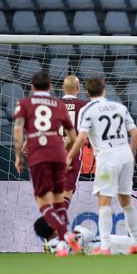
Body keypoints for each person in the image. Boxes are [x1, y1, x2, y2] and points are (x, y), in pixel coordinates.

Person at [65, 77, 137, 256]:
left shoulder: (87, 110)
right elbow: (136, 134)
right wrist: (130, 155)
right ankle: (136, 242)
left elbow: (82, 137)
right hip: (125, 157)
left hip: (107, 159)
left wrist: (69, 156)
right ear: (104, 90)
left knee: (104, 200)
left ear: (86, 92)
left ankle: (105, 247)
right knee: (125, 201)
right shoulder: (120, 107)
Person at [13, 71, 78, 257]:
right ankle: (65, 241)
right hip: (58, 154)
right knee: (59, 201)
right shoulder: (59, 104)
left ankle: (64, 239)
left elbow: (18, 129)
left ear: (32, 87)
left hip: (39, 155)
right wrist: (61, 148)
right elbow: (72, 137)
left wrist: (18, 155)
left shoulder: (24, 103)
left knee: (43, 202)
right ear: (50, 87)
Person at [34, 217, 137, 255]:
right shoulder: (61, 242)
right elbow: (88, 233)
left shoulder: (50, 246)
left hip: (102, 246)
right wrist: (78, 228)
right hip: (106, 246)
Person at [60, 75, 89, 209]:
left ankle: (50, 223)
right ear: (78, 88)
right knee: (67, 192)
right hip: (73, 152)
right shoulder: (85, 106)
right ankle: (56, 223)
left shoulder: (52, 105)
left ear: (63, 88)